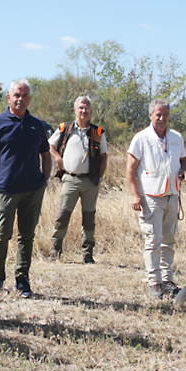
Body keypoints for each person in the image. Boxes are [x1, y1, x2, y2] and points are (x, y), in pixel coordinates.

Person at [0, 79, 52, 298]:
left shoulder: (37, 124)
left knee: (26, 236)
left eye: (25, 95)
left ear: (29, 99)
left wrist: (44, 181)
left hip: (33, 190)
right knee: (1, 235)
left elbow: (46, 154)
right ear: (9, 97)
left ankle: (22, 279)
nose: (20, 99)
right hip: (5, 190)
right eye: (16, 95)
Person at [126, 98, 186, 299]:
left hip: (172, 196)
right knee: (153, 240)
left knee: (169, 240)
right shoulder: (141, 138)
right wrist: (135, 195)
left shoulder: (177, 137)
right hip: (150, 197)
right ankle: (154, 281)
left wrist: (183, 171)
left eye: (165, 115)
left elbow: (184, 161)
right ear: (150, 115)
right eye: (158, 114)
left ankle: (167, 279)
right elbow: (130, 169)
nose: (162, 118)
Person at [48, 96, 108, 263]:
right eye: (81, 108)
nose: (84, 111)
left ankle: (88, 254)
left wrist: (100, 176)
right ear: (75, 110)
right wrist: (58, 160)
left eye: (87, 108)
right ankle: (55, 252)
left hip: (91, 181)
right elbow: (49, 145)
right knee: (62, 216)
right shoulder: (65, 128)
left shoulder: (98, 132)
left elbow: (104, 156)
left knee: (89, 219)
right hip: (70, 179)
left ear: (90, 111)